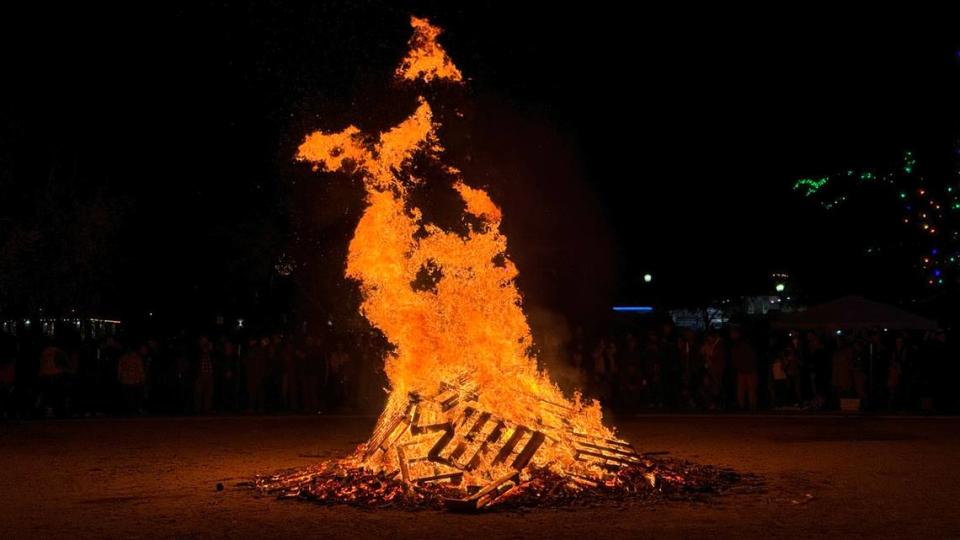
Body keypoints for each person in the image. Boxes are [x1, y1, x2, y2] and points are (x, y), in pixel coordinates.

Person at [730, 328, 758, 411]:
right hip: (747, 369)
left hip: (745, 369)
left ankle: (744, 405)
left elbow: (735, 358)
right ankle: (750, 405)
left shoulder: (738, 345)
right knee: (749, 389)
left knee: (744, 389)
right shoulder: (746, 345)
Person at [700, 331, 727, 410]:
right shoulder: (711, 345)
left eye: (710, 339)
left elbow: (719, 358)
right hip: (710, 370)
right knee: (709, 386)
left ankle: (717, 404)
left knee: (716, 387)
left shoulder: (720, 345)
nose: (709, 340)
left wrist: (710, 359)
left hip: (716, 370)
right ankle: (712, 403)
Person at [117, 346, 146, 414]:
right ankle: (134, 409)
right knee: (134, 396)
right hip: (135, 380)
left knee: (128, 396)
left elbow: (119, 369)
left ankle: (129, 410)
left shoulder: (123, 358)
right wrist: (142, 378)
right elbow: (140, 369)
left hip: (126, 380)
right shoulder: (136, 358)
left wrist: (119, 377)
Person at [194, 335, 215, 413]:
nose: (205, 341)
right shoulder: (197, 350)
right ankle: (197, 409)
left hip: (209, 374)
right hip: (200, 374)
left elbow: (214, 360)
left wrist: (210, 350)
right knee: (198, 392)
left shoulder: (210, 350)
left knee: (209, 393)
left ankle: (207, 409)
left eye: (206, 340)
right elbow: (195, 360)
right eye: (203, 340)